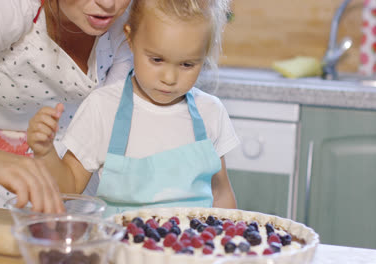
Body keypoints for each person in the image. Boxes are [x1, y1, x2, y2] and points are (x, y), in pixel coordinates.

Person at [28, 0, 239, 216]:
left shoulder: (211, 112)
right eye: (156, 59)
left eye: (187, 64)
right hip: (122, 247)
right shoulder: (103, 108)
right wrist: (46, 153)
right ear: (130, 39)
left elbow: (220, 194)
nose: (169, 78)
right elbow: (69, 187)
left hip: (192, 249)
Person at [0, 0, 132, 212]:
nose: (108, 3)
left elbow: (111, 119)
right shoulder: (1, 6)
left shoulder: (130, 23)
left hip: (63, 182)